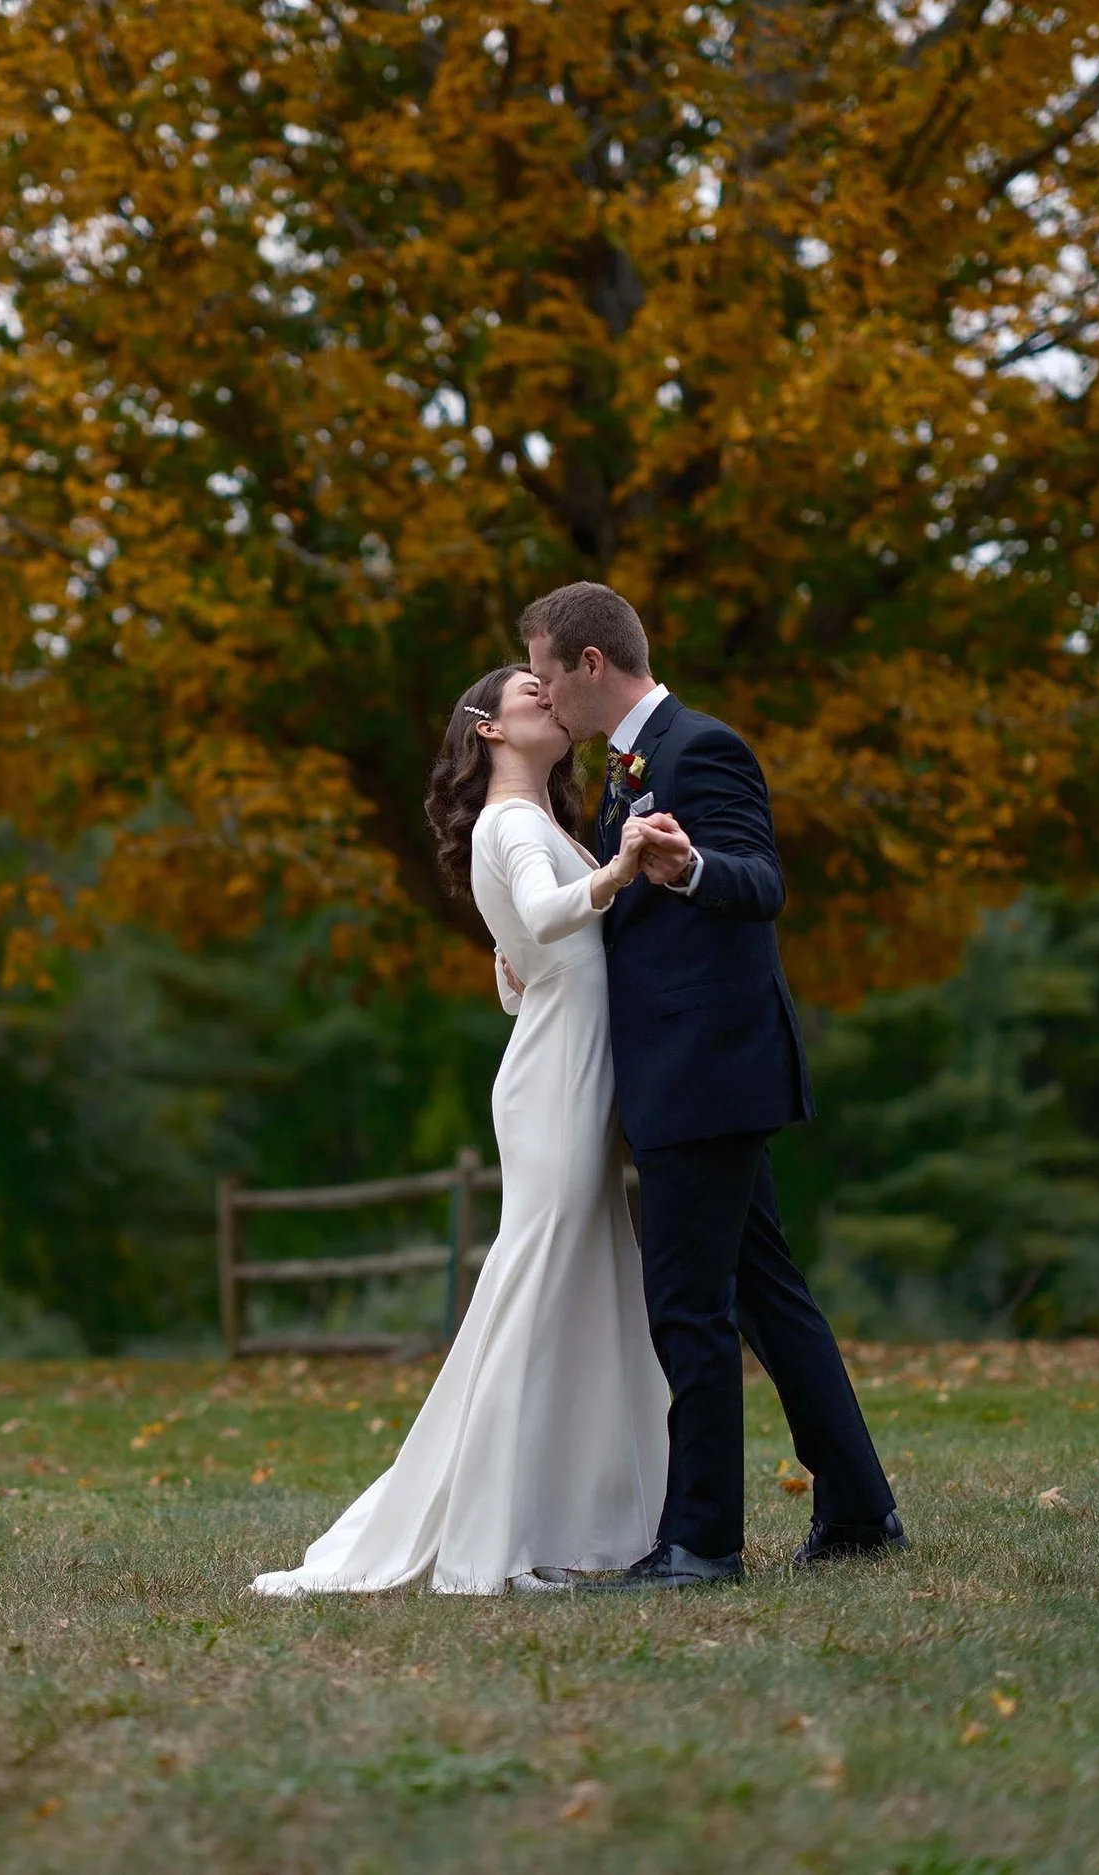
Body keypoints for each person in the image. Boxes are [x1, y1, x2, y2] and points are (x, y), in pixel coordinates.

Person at [249, 665, 673, 1596]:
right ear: (487, 730)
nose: (549, 698)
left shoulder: (536, 821)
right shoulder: (516, 822)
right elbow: (539, 915)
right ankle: (490, 1536)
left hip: (565, 1053)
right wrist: (619, 868)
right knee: (536, 1284)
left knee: (581, 1281)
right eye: (530, 691)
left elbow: (513, 965)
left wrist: (530, 949)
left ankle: (568, 1514)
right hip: (558, 1071)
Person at [519, 581, 905, 1589]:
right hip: (685, 1073)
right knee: (770, 1301)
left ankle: (701, 1542)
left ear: (590, 664)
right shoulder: (623, 771)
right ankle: (860, 1509)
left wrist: (686, 869)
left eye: (548, 671)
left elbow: (760, 882)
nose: (545, 695)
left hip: (706, 1072)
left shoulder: (702, 749)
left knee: (688, 1308)